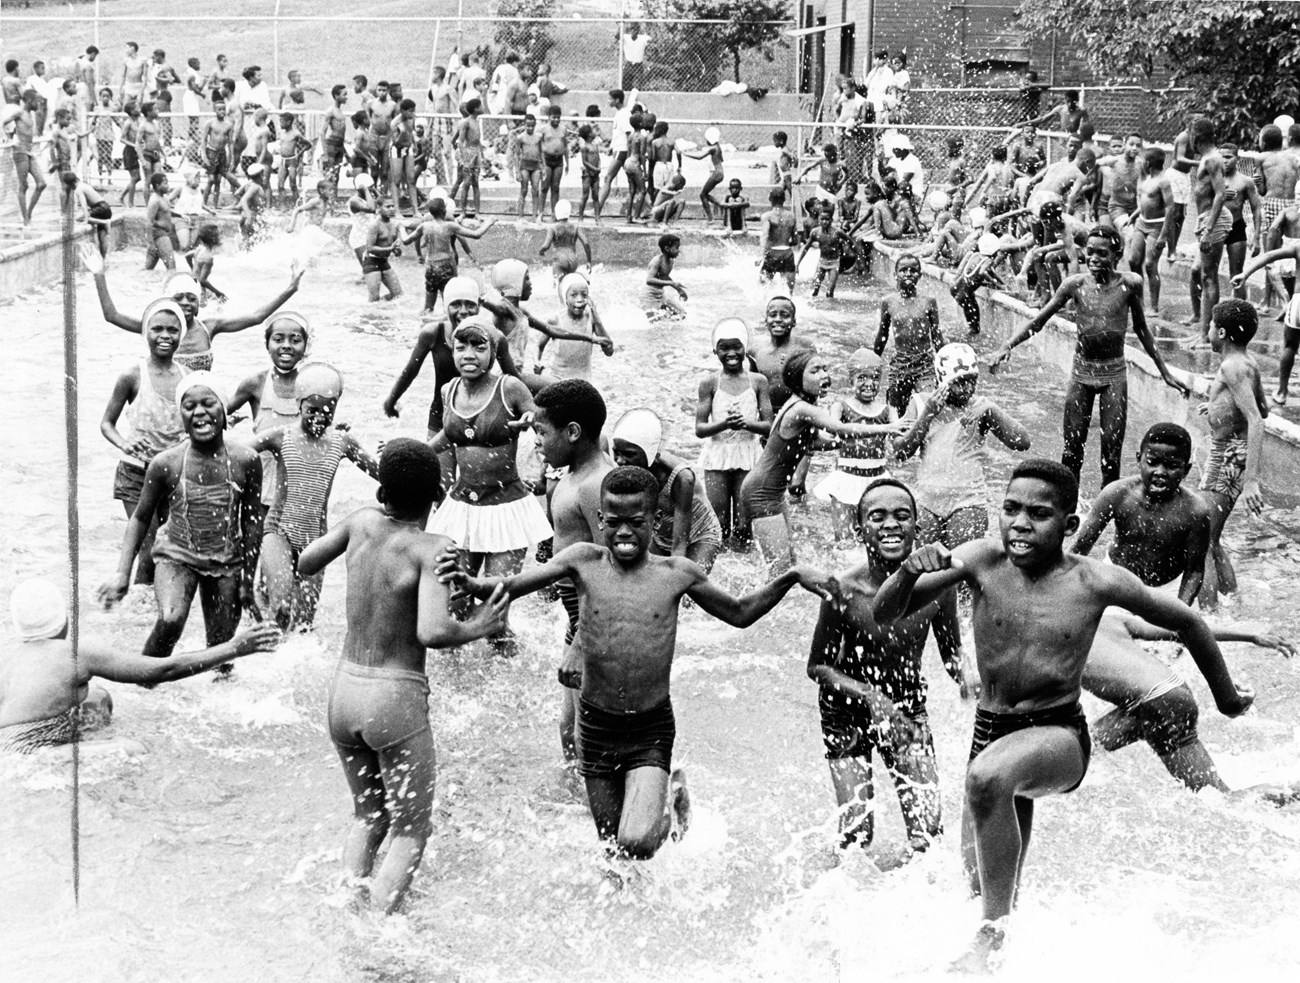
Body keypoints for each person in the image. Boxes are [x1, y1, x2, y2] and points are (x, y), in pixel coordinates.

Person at [873, 459, 1254, 971]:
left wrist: (1226, 698)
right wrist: (906, 571)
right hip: (991, 729)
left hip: (1058, 735)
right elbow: (884, 612)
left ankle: (992, 937)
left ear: (1069, 526)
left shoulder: (1095, 582)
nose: (1020, 524)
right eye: (1010, 510)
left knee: (988, 782)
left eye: (1038, 514)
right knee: (980, 882)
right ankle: (1008, 954)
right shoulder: (981, 560)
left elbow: (1188, 620)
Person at [441, 465, 834, 861]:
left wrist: (791, 577)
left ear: (654, 520)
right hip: (594, 726)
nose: (624, 533)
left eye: (636, 522)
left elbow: (740, 612)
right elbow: (516, 584)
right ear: (600, 520)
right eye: (614, 523)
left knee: (637, 842)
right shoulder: (582, 560)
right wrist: (472, 584)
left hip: (649, 727)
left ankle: (671, 791)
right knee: (614, 853)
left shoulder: (676, 574)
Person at [296, 439, 510, 914]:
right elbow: (432, 631)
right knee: (411, 830)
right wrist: (481, 626)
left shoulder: (359, 523)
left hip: (344, 691)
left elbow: (307, 561)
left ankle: (347, 907)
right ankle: (377, 927)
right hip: (393, 697)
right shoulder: (433, 547)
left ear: (381, 489)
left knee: (368, 816)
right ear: (438, 495)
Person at [808, 478, 967, 852]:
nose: (891, 524)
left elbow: (952, 655)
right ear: (859, 528)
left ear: (918, 526)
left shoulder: (937, 588)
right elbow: (818, 667)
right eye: (877, 516)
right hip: (844, 709)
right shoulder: (843, 590)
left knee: (929, 834)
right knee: (856, 836)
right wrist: (869, 695)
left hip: (906, 707)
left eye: (902, 515)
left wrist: (969, 677)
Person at [990, 225, 1189, 487]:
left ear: (1116, 256)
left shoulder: (1129, 285)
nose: (1094, 259)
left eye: (1102, 254)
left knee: (1110, 457)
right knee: (1071, 453)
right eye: (1090, 252)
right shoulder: (1075, 285)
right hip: (1082, 372)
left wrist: (1165, 372)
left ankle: (1107, 517)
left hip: (1113, 374)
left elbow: (1142, 330)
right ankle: (1067, 516)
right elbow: (1040, 320)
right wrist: (1008, 344)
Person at [97, 373, 263, 675]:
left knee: (222, 652)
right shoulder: (166, 463)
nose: (199, 411)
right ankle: (144, 684)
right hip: (176, 555)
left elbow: (252, 523)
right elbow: (140, 518)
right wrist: (122, 573)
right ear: (181, 418)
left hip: (225, 560)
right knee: (171, 619)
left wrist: (248, 582)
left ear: (224, 412)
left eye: (208, 403)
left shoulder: (246, 460)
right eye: (189, 406)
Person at [1, 578, 280, 754]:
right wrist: (235, 647)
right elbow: (164, 670)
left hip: (8, 740)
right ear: (65, 620)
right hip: (27, 752)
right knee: (134, 749)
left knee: (98, 698)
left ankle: (77, 745)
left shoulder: (9, 657)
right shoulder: (75, 652)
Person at [427, 316, 552, 654]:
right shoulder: (448, 390)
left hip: (506, 508)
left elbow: (539, 418)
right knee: (457, 606)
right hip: (462, 509)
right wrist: (415, 454)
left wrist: (531, 421)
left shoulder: (509, 387)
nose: (469, 354)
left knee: (495, 612)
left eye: (479, 347)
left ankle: (515, 684)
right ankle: (455, 687)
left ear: (494, 351)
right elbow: (447, 437)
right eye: (461, 346)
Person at [741, 350, 904, 574]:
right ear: (797, 379)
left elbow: (817, 443)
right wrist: (887, 428)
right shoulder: (802, 409)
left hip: (771, 491)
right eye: (815, 370)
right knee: (779, 572)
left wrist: (851, 445)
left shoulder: (801, 407)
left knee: (790, 565)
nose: (823, 375)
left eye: (825, 369)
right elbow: (840, 429)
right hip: (761, 494)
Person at [251, 364, 379, 629]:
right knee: (282, 610)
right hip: (279, 529)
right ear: (299, 405)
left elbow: (380, 472)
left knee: (304, 624)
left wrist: (397, 464)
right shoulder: (280, 436)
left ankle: (264, 601)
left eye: (327, 411)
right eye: (312, 410)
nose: (319, 417)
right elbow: (236, 453)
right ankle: (263, 626)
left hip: (317, 537)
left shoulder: (342, 442)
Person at [895, 343, 1030, 551]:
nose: (967, 389)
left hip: (969, 499)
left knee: (963, 569)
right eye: (960, 382)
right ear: (943, 380)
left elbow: (1022, 442)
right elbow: (900, 451)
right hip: (927, 500)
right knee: (925, 569)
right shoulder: (921, 403)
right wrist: (927, 414)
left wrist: (991, 409)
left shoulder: (980, 408)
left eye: (972, 381)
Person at [84, 248, 303, 373]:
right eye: (178, 298)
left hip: (201, 404)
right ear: (168, 302)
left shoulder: (209, 328)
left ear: (199, 304)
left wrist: (291, 289)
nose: (186, 303)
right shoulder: (156, 328)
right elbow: (111, 316)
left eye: (191, 298)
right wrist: (99, 275)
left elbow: (256, 317)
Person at [100, 299, 189, 588]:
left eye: (172, 330)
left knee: (168, 548)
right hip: (136, 473)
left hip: (171, 476)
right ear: (145, 333)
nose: (165, 336)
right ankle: (138, 606)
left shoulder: (188, 378)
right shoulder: (132, 375)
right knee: (148, 547)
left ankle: (151, 603)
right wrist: (123, 443)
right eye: (157, 329)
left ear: (182, 335)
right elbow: (106, 424)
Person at [1200, 299, 1267, 606]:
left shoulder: (1231, 367)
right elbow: (1262, 408)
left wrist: (1251, 479)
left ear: (1222, 332)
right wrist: (1217, 407)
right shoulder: (1248, 362)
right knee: (1211, 538)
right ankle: (1231, 600)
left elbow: (1255, 420)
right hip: (1231, 454)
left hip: (1228, 457)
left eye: (1212, 326)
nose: (1208, 330)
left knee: (1200, 541)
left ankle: (1208, 616)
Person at [611, 409, 723, 571]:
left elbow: (679, 544)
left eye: (629, 454)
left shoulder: (681, 479)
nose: (620, 461)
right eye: (616, 453)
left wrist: (675, 578)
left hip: (700, 535)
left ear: (650, 453)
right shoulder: (630, 470)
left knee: (689, 586)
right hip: (661, 536)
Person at [695, 318, 772, 548]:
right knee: (718, 521)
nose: (731, 353)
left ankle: (743, 563)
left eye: (736, 347)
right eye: (724, 348)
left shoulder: (758, 382)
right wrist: (725, 424)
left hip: (748, 453)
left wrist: (746, 424)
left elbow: (769, 425)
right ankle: (720, 566)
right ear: (715, 351)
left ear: (745, 348)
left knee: (743, 521)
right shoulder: (709, 383)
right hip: (717, 455)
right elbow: (700, 428)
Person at [812, 349, 898, 541]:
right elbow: (832, 434)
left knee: (876, 538)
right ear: (851, 380)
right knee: (844, 540)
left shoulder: (887, 411)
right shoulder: (840, 407)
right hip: (846, 479)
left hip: (877, 480)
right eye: (861, 377)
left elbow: (901, 439)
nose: (869, 384)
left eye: (875, 378)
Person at [536, 272, 614, 383]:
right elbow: (539, 345)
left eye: (584, 295)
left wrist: (596, 315)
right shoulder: (555, 320)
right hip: (558, 379)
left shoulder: (591, 319)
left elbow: (609, 351)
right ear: (565, 298)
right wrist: (537, 361)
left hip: (584, 381)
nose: (579, 299)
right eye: (573, 295)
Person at [1127, 147, 1173, 314]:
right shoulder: (1146, 180)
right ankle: (1138, 299)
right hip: (1142, 222)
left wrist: (1163, 235)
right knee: (1133, 260)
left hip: (1156, 225)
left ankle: (1153, 306)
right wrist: (1134, 215)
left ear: (1148, 163)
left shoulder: (1163, 181)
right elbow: (1145, 204)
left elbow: (1170, 209)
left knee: (1150, 264)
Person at [2, 90, 47, 224]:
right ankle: (26, 219)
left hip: (29, 150)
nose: (38, 104)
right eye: (36, 101)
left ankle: (28, 213)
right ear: (29, 101)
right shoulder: (19, 112)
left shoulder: (30, 114)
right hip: (20, 151)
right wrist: (7, 138)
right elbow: (2, 123)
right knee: (24, 185)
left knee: (42, 183)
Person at [798, 206, 851, 299]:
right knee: (815, 289)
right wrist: (797, 264)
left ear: (831, 220)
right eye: (822, 219)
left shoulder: (837, 232)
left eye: (827, 219)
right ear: (819, 219)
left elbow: (851, 242)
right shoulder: (815, 232)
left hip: (834, 263)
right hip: (822, 262)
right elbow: (806, 248)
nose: (824, 221)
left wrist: (858, 257)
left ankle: (830, 309)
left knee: (830, 291)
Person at [538, 200, 592, 279]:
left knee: (556, 285)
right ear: (569, 213)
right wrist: (589, 262)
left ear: (556, 213)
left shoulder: (552, 228)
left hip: (560, 260)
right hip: (573, 260)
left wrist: (541, 251)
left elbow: (546, 246)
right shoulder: (575, 227)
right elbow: (586, 243)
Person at [757, 188, 798, 291]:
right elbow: (795, 240)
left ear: (770, 199)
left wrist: (761, 256)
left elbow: (765, 236)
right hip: (787, 254)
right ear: (784, 200)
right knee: (789, 292)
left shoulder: (767, 216)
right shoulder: (791, 216)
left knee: (763, 290)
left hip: (772, 253)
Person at [362, 201, 404, 302]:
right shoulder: (375, 225)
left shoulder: (394, 225)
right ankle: (369, 313)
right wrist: (390, 249)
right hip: (371, 261)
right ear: (379, 208)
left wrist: (397, 251)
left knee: (398, 294)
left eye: (393, 206)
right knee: (374, 298)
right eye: (387, 206)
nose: (391, 209)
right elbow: (369, 248)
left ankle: (382, 304)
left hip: (384, 261)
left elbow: (395, 250)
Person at [642, 233, 688, 319]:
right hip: (649, 295)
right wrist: (671, 283)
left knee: (681, 314)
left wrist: (679, 290)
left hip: (660, 294)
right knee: (654, 321)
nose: (679, 251)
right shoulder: (657, 261)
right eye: (677, 248)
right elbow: (649, 279)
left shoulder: (670, 261)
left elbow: (664, 276)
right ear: (667, 248)